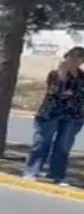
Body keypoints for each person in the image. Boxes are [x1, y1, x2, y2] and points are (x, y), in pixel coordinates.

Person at [24, 46, 84, 185]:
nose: (76, 59)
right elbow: (55, 92)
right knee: (42, 143)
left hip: (72, 116)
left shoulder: (82, 77)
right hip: (51, 114)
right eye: (73, 56)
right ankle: (32, 171)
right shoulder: (55, 74)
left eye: (80, 56)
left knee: (63, 146)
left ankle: (57, 175)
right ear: (66, 56)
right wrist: (63, 74)